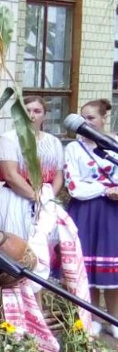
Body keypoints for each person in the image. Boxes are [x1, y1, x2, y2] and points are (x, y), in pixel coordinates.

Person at [63, 98, 118, 336]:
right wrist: (105, 189)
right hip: (86, 211)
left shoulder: (115, 144)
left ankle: (114, 318)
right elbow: (74, 187)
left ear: (104, 119)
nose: (86, 122)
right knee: (90, 267)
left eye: (91, 118)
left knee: (112, 267)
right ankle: (93, 317)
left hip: (113, 212)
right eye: (83, 118)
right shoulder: (73, 149)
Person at [0, 95, 64, 240]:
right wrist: (36, 197)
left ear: (44, 115)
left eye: (37, 111)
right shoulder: (10, 139)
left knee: (43, 242)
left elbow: (58, 175)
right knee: (15, 242)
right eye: (27, 110)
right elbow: (10, 175)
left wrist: (47, 199)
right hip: (16, 198)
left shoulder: (54, 142)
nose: (31, 115)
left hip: (46, 199)